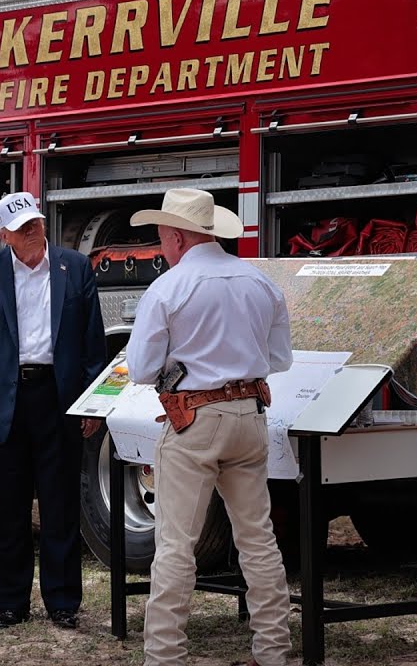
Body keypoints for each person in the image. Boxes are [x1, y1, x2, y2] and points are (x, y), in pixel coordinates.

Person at [125, 188, 293, 666]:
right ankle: (273, 649)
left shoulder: (170, 287)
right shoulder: (259, 282)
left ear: (177, 237)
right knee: (258, 538)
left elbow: (140, 368)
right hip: (249, 414)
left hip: (193, 417)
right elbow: (279, 358)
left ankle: (164, 656)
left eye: (161, 239)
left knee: (176, 545)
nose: (161, 248)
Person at [0, 191, 106, 629]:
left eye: (36, 223)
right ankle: (12, 603)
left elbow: (93, 342)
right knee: (8, 507)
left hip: (58, 397)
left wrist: (93, 402)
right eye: (23, 228)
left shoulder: (73, 267)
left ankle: (62, 602)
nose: (33, 231)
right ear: (5, 235)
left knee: (60, 504)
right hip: (5, 400)